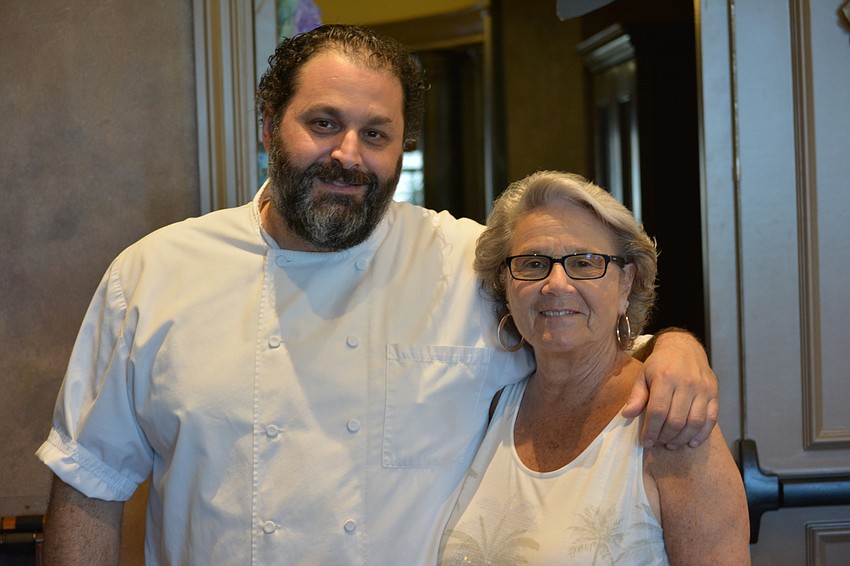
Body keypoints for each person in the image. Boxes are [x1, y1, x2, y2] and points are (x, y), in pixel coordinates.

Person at [37, 25, 719, 565]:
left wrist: (674, 348)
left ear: (402, 145)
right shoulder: (153, 275)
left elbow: (575, 329)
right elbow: (88, 485)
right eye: (324, 123)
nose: (349, 154)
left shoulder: (465, 261)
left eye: (376, 134)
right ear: (269, 124)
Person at [439, 171, 749, 565]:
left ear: (626, 282)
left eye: (584, 263)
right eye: (533, 263)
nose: (556, 283)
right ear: (505, 284)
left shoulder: (670, 419)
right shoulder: (492, 402)